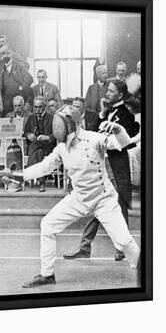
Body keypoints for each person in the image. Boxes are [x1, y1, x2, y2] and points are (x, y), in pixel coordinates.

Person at [2, 105, 140, 288]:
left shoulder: (94, 139)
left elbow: (123, 143)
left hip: (103, 199)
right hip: (79, 198)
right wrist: (17, 175)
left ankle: (142, 267)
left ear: (72, 124)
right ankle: (47, 274)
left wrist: (117, 129)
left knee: (123, 241)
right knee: (48, 225)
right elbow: (43, 167)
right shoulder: (61, 148)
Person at [64, 79, 140, 261]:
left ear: (120, 95)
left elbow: (125, 141)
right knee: (96, 204)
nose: (107, 94)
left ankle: (122, 248)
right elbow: (91, 134)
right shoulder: (107, 112)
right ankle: (85, 247)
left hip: (116, 166)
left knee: (119, 205)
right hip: (100, 164)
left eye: (111, 92)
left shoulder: (127, 114)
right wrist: (102, 113)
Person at [24, 96, 55, 192]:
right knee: (39, 153)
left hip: (48, 146)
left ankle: (28, 173)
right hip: (38, 149)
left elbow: (57, 135)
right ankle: (42, 183)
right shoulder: (31, 118)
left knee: (35, 145)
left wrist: (48, 137)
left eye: (40, 107)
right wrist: (28, 135)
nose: (37, 109)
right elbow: (26, 132)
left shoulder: (52, 118)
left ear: (45, 106)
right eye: (35, 107)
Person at [0, 45, 34, 116]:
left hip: (18, 99)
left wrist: (22, 87)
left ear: (9, 54)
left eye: (5, 54)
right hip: (6, 101)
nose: (3, 57)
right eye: (1, 55)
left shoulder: (19, 66)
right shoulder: (0, 68)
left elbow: (30, 79)